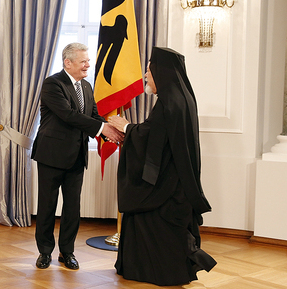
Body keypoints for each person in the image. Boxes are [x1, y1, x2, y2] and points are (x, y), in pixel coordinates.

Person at [109, 47, 216, 286]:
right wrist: (132, 131)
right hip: (175, 181)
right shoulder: (182, 97)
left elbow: (152, 136)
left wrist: (126, 127)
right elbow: (159, 137)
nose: (146, 76)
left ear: (161, 73)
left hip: (164, 187)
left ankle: (153, 272)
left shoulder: (171, 102)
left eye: (148, 71)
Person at [31, 43, 124, 270]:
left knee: (72, 208)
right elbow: (68, 115)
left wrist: (111, 129)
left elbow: (91, 115)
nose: (88, 65)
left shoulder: (86, 86)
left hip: (76, 156)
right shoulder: (53, 83)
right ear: (68, 62)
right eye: (83, 61)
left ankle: (67, 252)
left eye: (87, 61)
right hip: (51, 156)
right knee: (47, 206)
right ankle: (44, 252)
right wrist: (103, 130)